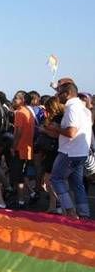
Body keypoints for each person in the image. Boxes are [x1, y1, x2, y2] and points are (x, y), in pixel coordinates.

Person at [48, 78, 92, 218]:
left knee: (56, 179)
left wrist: (56, 128)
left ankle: (69, 211)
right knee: (77, 183)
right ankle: (84, 214)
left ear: (67, 94)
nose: (57, 96)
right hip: (81, 152)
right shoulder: (84, 108)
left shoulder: (72, 108)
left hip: (69, 152)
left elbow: (71, 132)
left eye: (59, 93)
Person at [37, 96, 63, 213]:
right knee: (52, 180)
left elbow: (57, 135)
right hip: (54, 151)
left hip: (54, 152)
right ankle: (56, 205)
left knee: (50, 180)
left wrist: (44, 130)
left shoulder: (58, 118)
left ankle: (55, 206)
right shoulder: (61, 117)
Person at [10, 91, 36, 208]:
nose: (14, 100)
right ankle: (32, 193)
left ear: (23, 100)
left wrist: (13, 147)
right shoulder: (29, 112)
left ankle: (20, 201)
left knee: (18, 177)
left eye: (17, 98)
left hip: (20, 149)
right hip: (26, 149)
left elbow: (18, 132)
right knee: (23, 175)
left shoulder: (20, 113)